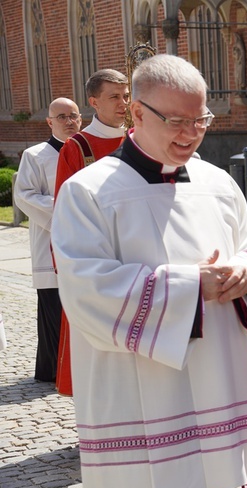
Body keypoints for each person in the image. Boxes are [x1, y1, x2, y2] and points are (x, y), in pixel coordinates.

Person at [50, 54, 247, 488]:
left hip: (220, 385)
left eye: (201, 120)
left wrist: (246, 272)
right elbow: (85, 289)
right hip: (143, 399)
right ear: (136, 112)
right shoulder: (89, 191)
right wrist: (192, 286)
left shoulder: (217, 183)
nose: (191, 133)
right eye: (176, 120)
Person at [54, 68, 129, 396]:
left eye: (126, 95)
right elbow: (63, 212)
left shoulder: (140, 138)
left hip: (136, 255)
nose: (123, 103)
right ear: (93, 102)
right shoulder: (77, 147)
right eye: (114, 96)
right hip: (96, 260)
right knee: (94, 347)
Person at [13, 97, 81, 382]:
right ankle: (52, 371)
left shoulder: (85, 150)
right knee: (53, 311)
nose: (69, 121)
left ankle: (81, 370)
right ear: (49, 122)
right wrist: (71, 208)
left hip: (89, 244)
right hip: (50, 241)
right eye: (61, 116)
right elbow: (24, 195)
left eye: (73, 115)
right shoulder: (35, 155)